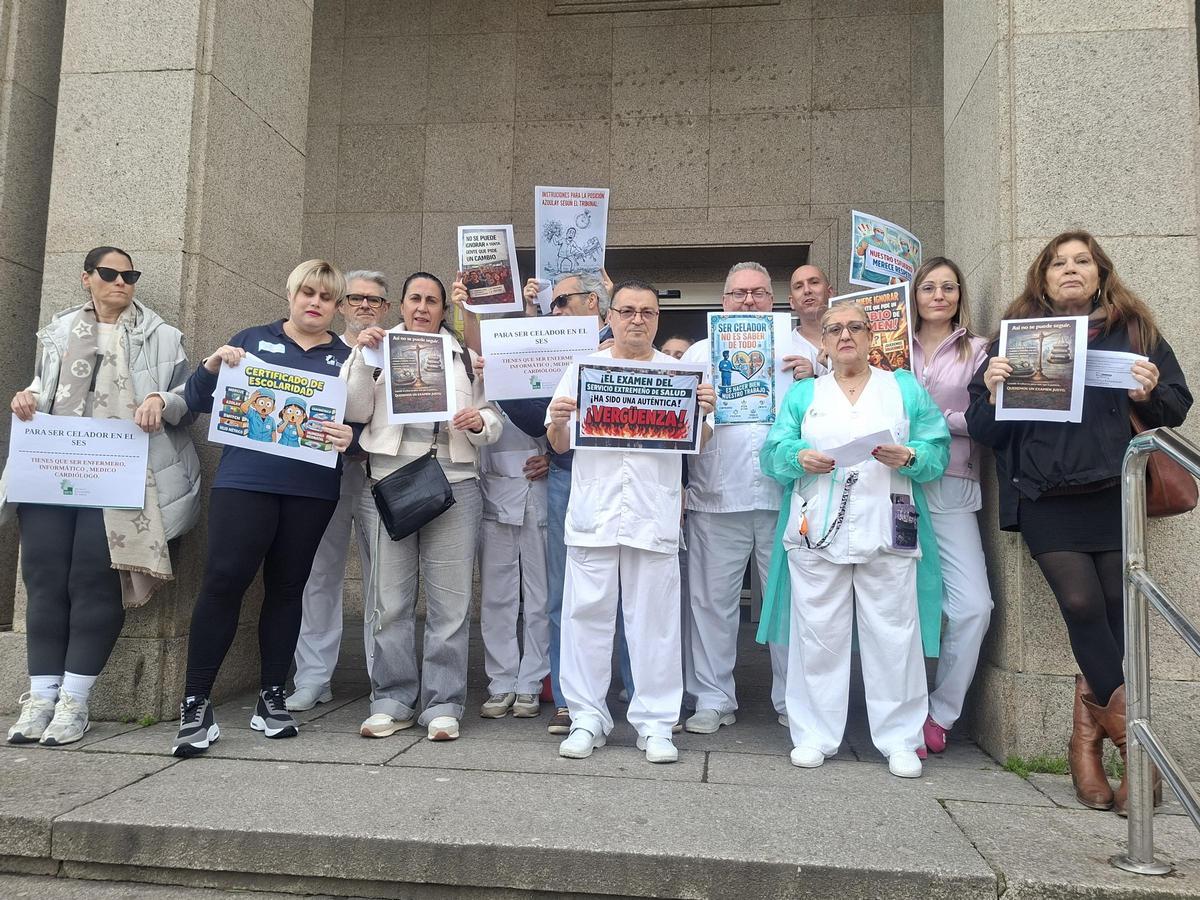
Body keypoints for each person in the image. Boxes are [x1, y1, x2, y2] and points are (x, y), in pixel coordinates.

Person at [967, 230, 1191, 814]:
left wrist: (1150, 390)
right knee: (1083, 606)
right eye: (1058, 263)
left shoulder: (1134, 331)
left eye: (1081, 261)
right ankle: (1136, 751)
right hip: (1045, 497)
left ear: (1100, 272)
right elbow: (985, 433)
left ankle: (1083, 745)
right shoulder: (1013, 339)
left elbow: (1175, 404)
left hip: (1114, 495)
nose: (1070, 270)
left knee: (1115, 621)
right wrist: (991, 390)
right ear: (1041, 279)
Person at [4, 247, 202, 746]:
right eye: (110, 274)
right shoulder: (57, 330)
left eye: (129, 274)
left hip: (118, 474)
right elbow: (42, 387)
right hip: (51, 469)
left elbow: (187, 397)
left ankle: (75, 701)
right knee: (45, 579)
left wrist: (161, 399)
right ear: (86, 278)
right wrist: (25, 395)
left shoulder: (161, 335)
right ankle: (41, 697)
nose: (121, 281)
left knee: (92, 579)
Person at [170, 260, 355, 757]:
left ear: (338, 307)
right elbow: (196, 400)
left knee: (288, 588)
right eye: (307, 292)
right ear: (291, 293)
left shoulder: (350, 357)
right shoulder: (251, 340)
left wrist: (350, 437)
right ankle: (195, 703)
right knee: (224, 580)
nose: (314, 302)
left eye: (326, 297)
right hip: (245, 481)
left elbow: (362, 432)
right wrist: (211, 367)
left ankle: (271, 696)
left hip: (312, 489)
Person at [759, 300, 949, 778]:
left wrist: (909, 455)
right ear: (822, 342)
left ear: (871, 337)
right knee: (817, 633)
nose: (845, 336)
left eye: (855, 328)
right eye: (834, 329)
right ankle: (813, 734)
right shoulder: (805, 394)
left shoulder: (901, 387)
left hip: (888, 524)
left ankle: (900, 738)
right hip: (816, 529)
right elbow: (773, 451)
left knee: (893, 634)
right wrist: (799, 457)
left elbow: (937, 447)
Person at [547, 278, 716, 764]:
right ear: (611, 316)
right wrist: (559, 419)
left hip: (652, 513)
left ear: (657, 320)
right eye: (627, 310)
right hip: (594, 513)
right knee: (585, 619)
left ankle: (657, 723)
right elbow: (558, 444)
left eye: (646, 311)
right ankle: (586, 717)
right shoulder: (582, 367)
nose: (636, 319)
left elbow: (699, 446)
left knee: (656, 623)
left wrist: (703, 414)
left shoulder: (682, 374)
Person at [345, 272, 502, 742]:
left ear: (441, 309)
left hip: (454, 482)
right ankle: (391, 699)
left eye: (432, 301)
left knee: (451, 604)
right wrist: (360, 361)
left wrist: (479, 422)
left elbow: (495, 417)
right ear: (401, 304)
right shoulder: (376, 349)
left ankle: (443, 703)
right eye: (415, 298)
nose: (422, 307)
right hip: (390, 480)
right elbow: (353, 411)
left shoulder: (467, 358)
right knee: (390, 601)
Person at [516, 271, 635, 736]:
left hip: (629, 479)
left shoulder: (630, 342)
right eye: (551, 304)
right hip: (568, 474)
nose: (555, 310)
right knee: (564, 591)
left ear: (595, 304)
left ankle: (634, 689)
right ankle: (569, 699)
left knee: (631, 593)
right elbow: (535, 416)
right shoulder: (552, 347)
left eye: (563, 301)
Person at [680, 262, 791, 733]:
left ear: (772, 298)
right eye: (739, 293)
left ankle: (793, 698)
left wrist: (814, 374)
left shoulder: (797, 351)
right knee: (711, 602)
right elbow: (673, 429)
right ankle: (713, 697)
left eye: (759, 293)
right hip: (715, 493)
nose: (748, 301)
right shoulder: (697, 356)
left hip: (780, 496)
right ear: (722, 300)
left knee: (787, 603)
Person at [286, 271, 391, 712]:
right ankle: (312, 678)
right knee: (319, 575)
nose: (366, 305)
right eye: (357, 298)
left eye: (376, 300)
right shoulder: (323, 350)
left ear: (387, 309)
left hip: (378, 476)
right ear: (343, 305)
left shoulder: (400, 351)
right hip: (322, 477)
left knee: (383, 579)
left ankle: (383, 677)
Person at [910, 257, 992, 757]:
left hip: (952, 482)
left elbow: (989, 417)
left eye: (949, 287)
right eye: (928, 287)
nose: (939, 295)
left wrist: (936, 421)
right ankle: (903, 710)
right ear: (914, 295)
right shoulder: (888, 345)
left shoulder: (980, 351)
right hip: (891, 483)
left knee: (972, 607)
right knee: (899, 607)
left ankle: (942, 711)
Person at [477, 400, 551, 720]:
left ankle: (532, 680)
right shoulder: (475, 372)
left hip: (541, 488)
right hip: (494, 489)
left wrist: (556, 457)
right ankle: (501, 680)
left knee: (541, 594)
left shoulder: (552, 361)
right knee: (497, 594)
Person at [781, 263, 833, 380]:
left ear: (830, 292)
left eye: (814, 282)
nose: (807, 290)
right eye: (798, 286)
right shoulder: (784, 349)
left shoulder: (851, 337)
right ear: (791, 302)